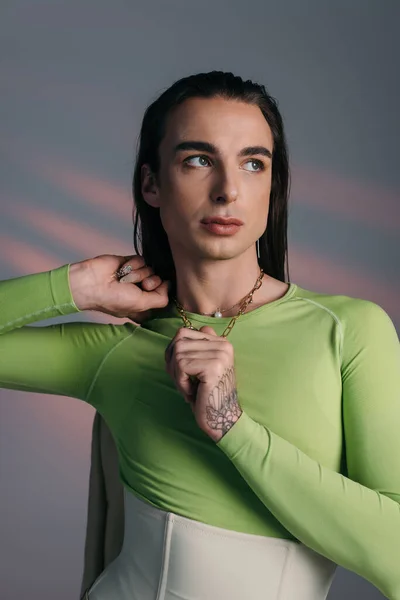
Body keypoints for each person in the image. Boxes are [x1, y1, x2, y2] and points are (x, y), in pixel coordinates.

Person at [0, 70, 399, 600]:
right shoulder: (118, 352)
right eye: (198, 160)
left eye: (253, 163)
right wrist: (74, 286)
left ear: (272, 186)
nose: (228, 189)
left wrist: (232, 427)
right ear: (152, 185)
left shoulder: (348, 329)